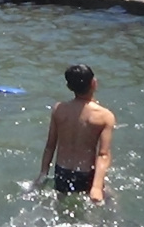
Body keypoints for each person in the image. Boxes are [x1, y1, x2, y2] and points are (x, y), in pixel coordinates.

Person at [36, 64, 116, 204]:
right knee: (111, 202)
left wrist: (43, 174)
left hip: (61, 173)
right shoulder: (104, 116)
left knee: (61, 211)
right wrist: (96, 187)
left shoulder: (59, 109)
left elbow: (50, 146)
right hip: (86, 175)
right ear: (94, 83)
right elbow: (103, 154)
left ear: (69, 87)